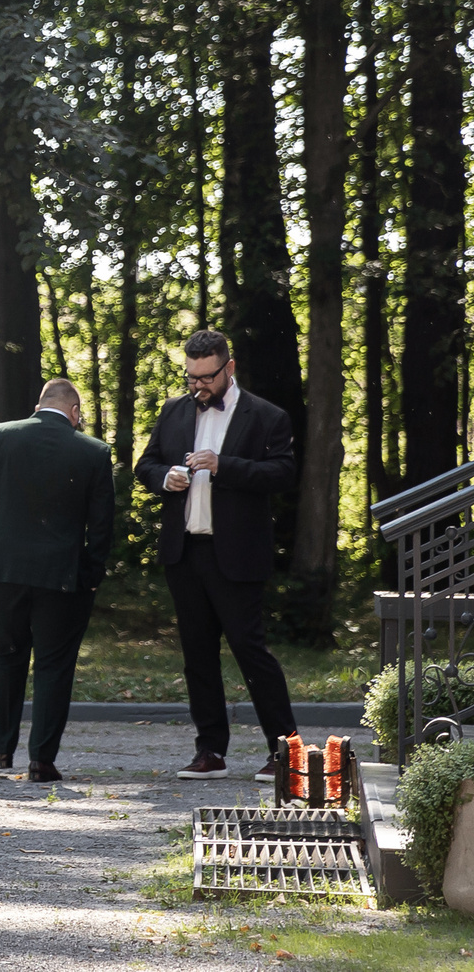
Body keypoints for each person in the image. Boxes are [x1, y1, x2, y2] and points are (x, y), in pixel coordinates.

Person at [133, 328, 299, 782]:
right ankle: (210, 751)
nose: (198, 386)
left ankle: (285, 750)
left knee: (251, 650)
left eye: (206, 377)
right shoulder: (172, 411)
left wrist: (224, 466)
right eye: (191, 377)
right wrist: (164, 477)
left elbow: (283, 473)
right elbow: (143, 465)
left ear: (229, 368)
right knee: (197, 654)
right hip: (185, 550)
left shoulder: (266, 416)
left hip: (238, 553)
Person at [0, 378, 113, 782]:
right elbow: (101, 524)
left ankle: (0, 750)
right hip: (61, 575)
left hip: (3, 570)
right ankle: (42, 760)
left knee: (6, 653)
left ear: (38, 404)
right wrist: (92, 574)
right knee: (53, 664)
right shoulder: (93, 452)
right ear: (75, 411)